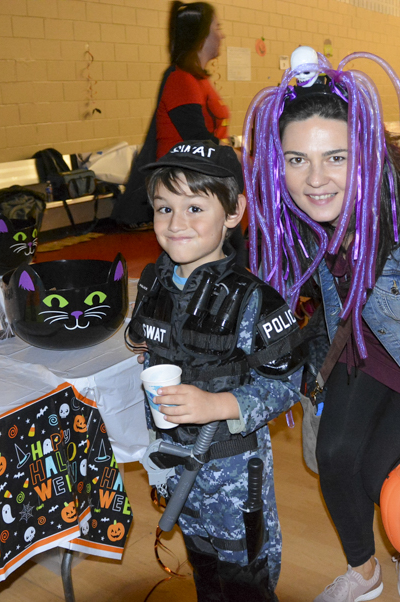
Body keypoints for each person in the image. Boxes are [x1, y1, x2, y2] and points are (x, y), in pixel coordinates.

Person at [244, 49, 400, 602]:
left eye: (335, 157)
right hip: (366, 333)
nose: (315, 180)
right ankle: (364, 573)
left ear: (365, 152)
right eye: (296, 159)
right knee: (335, 455)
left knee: (382, 467)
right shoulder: (301, 213)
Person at [127, 140, 304, 600]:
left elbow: (287, 385)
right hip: (176, 462)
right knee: (203, 566)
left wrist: (218, 404)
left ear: (233, 212)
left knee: (244, 574)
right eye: (164, 208)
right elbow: (145, 338)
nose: (176, 223)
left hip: (233, 467)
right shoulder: (154, 283)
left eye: (194, 208)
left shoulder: (255, 299)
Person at [112, 2, 229, 230]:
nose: (222, 35)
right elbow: (196, 138)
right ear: (201, 34)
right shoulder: (181, 79)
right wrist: (239, 157)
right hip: (183, 185)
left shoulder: (199, 80)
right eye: (217, 27)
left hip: (201, 181)